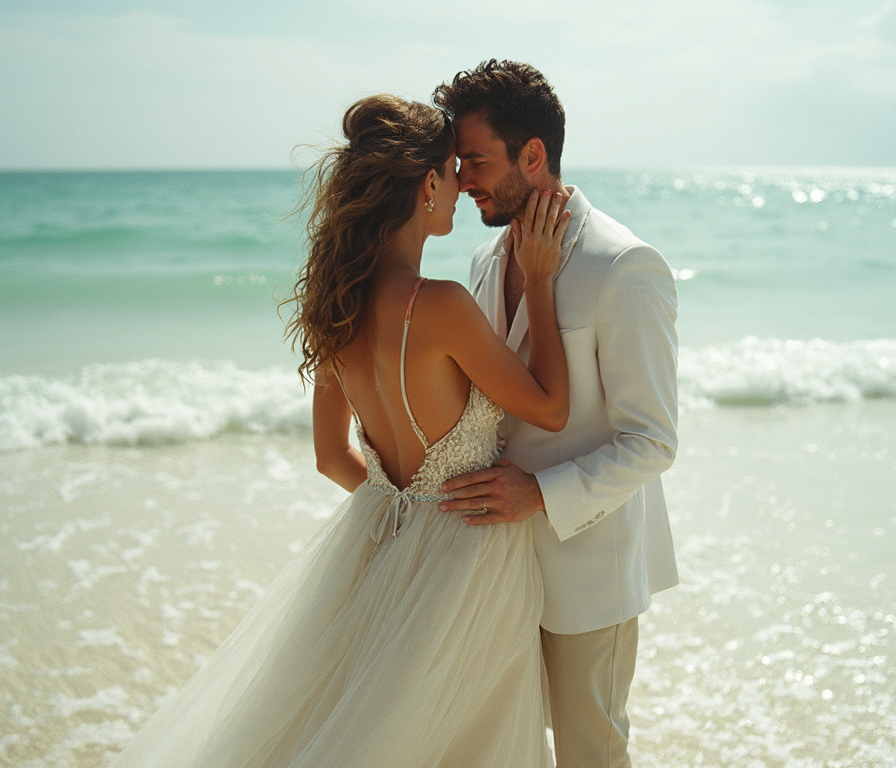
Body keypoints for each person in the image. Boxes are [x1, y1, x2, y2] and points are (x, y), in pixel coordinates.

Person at [110, 94, 572, 767]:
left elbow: (332, 457)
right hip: (471, 558)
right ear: (426, 186)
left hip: (382, 549)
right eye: (452, 169)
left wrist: (407, 514)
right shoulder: (439, 306)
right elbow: (553, 408)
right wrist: (539, 280)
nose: (462, 185)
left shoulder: (337, 308)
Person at [433, 60, 680, 768]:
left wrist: (539, 494)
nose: (462, 180)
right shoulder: (484, 259)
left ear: (532, 155)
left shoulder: (622, 264)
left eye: (475, 161)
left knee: (589, 753)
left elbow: (652, 441)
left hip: (588, 569)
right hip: (493, 565)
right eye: (458, 164)